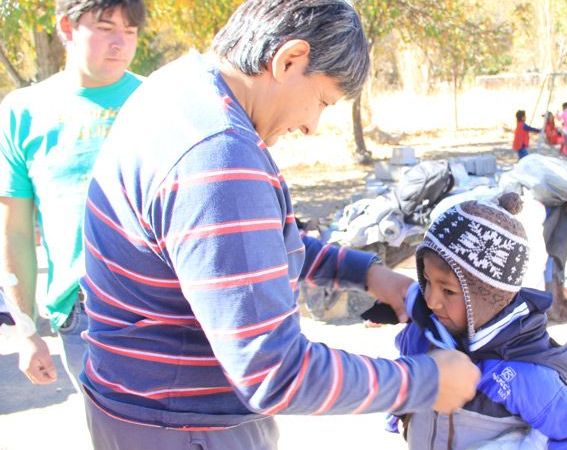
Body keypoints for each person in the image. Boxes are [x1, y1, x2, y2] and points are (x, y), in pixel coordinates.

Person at [78, 1, 479, 448]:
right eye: (322, 101)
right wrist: (427, 380)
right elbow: (274, 372)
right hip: (187, 427)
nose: (311, 125)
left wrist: (364, 273)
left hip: (137, 406)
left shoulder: (178, 89)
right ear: (289, 59)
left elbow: (238, 248)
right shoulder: (218, 156)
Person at [387, 192, 567, 449]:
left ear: (486, 298)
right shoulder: (427, 331)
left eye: (448, 290)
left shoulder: (519, 374)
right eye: (426, 280)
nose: (431, 300)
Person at [0, 0, 145, 388]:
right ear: (66, 27)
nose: (119, 43)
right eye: (104, 28)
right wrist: (26, 331)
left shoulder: (157, 102)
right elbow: (13, 231)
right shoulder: (22, 112)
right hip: (81, 313)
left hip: (163, 305)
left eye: (129, 32)